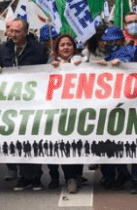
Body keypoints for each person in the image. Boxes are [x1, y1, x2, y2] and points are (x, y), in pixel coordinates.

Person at [0, 17, 50, 191]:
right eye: (11, 31)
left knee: (33, 141)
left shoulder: (38, 49)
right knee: (17, 141)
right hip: (11, 105)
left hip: (33, 104)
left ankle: (36, 177)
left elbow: (50, 71)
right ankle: (23, 176)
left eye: (17, 31)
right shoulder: (1, 50)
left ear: (25, 32)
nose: (12, 34)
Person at [94, 26, 137, 193]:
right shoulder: (107, 56)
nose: (110, 45)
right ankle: (123, 173)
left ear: (119, 40)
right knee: (115, 141)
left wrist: (124, 66)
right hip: (115, 104)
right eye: (107, 42)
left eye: (112, 42)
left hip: (136, 103)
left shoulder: (136, 51)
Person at [49, 34, 84, 194]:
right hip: (58, 113)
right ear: (57, 49)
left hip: (79, 111)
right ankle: (70, 178)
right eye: (62, 45)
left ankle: (77, 175)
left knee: (78, 144)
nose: (65, 48)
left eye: (69, 44)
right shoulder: (50, 65)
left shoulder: (82, 63)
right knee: (64, 145)